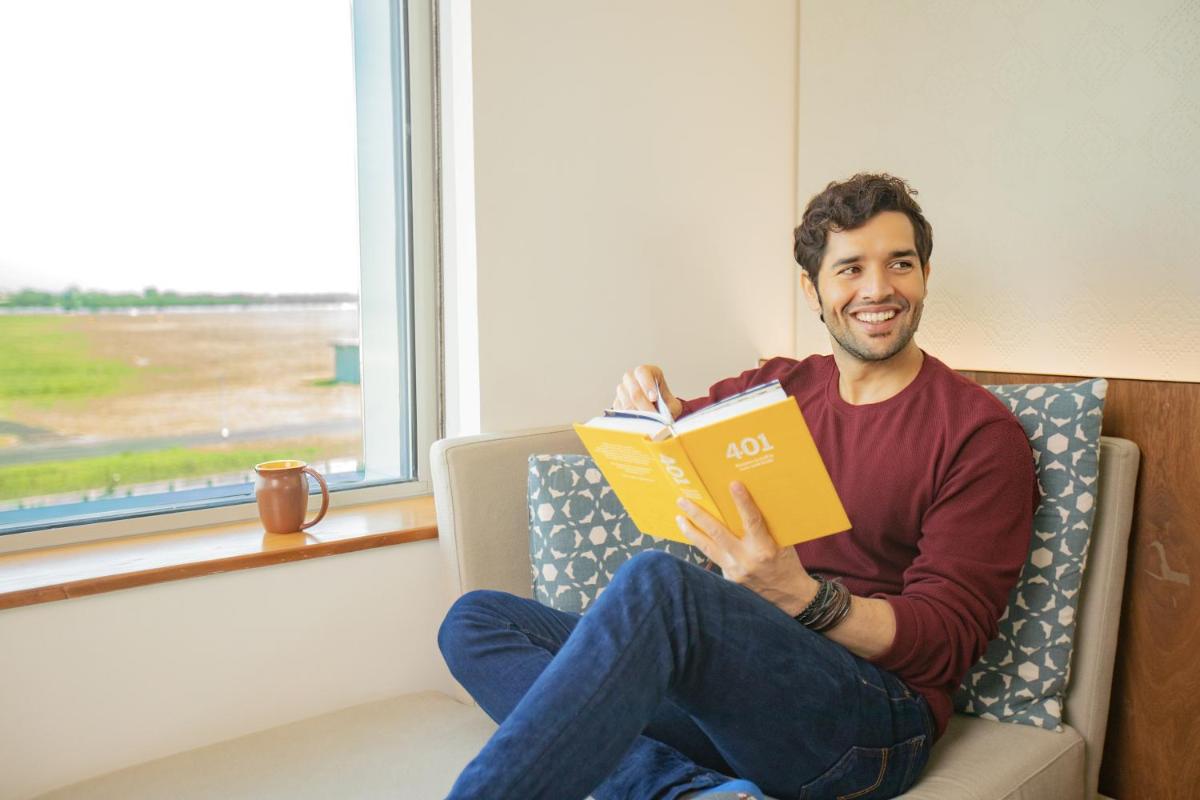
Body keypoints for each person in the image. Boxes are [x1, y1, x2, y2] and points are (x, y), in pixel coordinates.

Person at [438, 173, 1038, 800]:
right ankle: (681, 790)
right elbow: (678, 433)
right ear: (812, 288)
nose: (878, 289)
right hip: (732, 699)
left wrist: (803, 598)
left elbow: (946, 642)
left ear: (925, 275)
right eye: (851, 269)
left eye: (900, 264)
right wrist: (649, 404)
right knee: (476, 621)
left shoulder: (979, 434)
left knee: (661, 584)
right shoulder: (775, 389)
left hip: (871, 722)